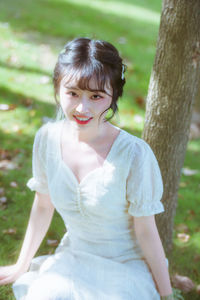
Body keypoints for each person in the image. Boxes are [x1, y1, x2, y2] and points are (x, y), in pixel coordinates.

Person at [0, 37, 174, 300]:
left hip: (125, 265)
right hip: (74, 257)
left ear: (114, 95)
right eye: (72, 93)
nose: (83, 108)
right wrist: (21, 265)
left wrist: (166, 294)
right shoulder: (47, 139)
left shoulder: (134, 154)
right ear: (58, 89)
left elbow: (146, 231)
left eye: (96, 96)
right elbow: (43, 206)